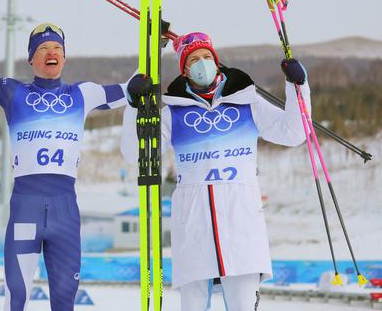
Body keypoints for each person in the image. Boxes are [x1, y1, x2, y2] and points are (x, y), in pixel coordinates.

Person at [0, 21, 127, 311]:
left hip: (65, 210)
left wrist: (157, 46)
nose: (52, 53)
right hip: (26, 207)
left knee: (64, 300)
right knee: (17, 298)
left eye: (58, 48)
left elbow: (133, 89)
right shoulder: (13, 91)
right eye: (44, 48)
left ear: (64, 56)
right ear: (31, 58)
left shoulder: (82, 94)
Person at [121, 31, 309, 311]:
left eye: (207, 57)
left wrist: (298, 86)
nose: (202, 63)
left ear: (217, 62)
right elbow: (134, 152)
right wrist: (133, 106)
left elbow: (294, 132)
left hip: (241, 225)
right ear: (184, 70)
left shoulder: (248, 103)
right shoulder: (174, 112)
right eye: (194, 59)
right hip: (194, 226)